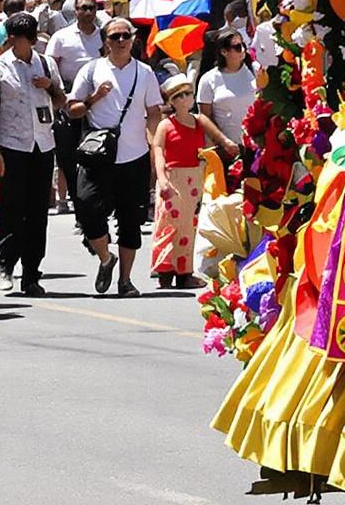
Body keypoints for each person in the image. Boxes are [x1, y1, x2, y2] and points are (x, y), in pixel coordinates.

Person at [67, 18, 162, 298]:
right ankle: (106, 258)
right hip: (99, 156)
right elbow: (73, 109)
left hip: (134, 156)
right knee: (87, 209)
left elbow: (154, 110)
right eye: (115, 36)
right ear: (105, 41)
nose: (121, 40)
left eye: (126, 35)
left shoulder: (144, 72)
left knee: (131, 220)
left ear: (133, 39)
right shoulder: (92, 69)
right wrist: (94, 98)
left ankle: (125, 280)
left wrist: (152, 139)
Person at [0, 12, 56, 297]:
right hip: (13, 145)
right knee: (13, 209)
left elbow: (60, 99)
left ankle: (32, 273)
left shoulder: (45, 63)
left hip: (43, 145)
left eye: (29, 38)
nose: (26, 43)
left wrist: (50, 87)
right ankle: (6, 264)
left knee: (38, 212)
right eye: (20, 38)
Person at [148, 74, 209, 289]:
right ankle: (165, 269)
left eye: (188, 94)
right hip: (173, 177)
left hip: (194, 179)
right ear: (172, 101)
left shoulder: (199, 121)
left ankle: (184, 271)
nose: (185, 99)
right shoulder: (166, 125)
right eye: (179, 95)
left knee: (189, 227)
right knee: (168, 223)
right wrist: (162, 178)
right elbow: (158, 150)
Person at [48, 0, 103, 215]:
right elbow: (51, 65)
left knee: (96, 151)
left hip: (98, 100)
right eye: (83, 8)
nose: (87, 12)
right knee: (67, 154)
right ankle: (68, 199)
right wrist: (60, 95)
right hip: (69, 100)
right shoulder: (62, 37)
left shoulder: (105, 36)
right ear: (75, 10)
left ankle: (95, 198)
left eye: (91, 7)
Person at [192, 28, 255, 185]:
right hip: (228, 150)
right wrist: (224, 142)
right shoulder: (209, 79)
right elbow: (204, 116)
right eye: (237, 47)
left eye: (243, 45)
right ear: (224, 52)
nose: (243, 50)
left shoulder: (255, 71)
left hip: (256, 147)